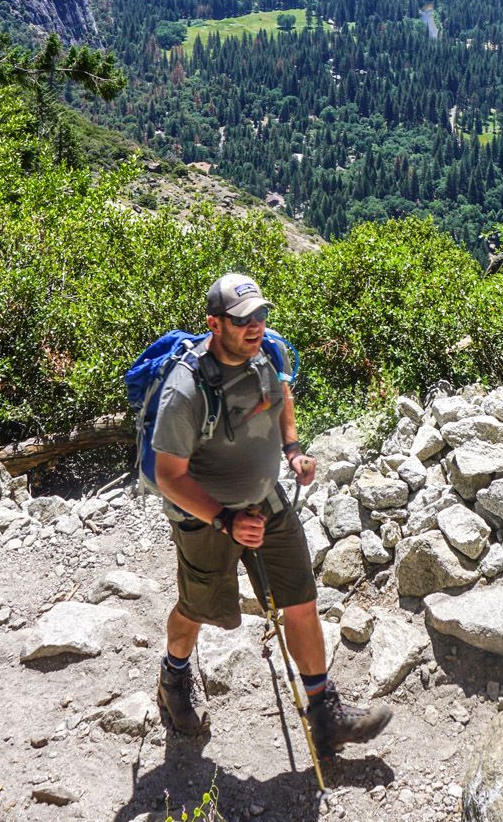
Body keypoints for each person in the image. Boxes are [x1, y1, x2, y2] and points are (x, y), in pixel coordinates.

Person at [150, 271, 392, 755]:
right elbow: (167, 476)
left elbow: (281, 395)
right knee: (199, 609)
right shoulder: (186, 390)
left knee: (300, 597)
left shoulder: (269, 352)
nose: (255, 325)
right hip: (206, 519)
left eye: (260, 314)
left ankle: (324, 714)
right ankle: (173, 676)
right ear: (214, 324)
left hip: (266, 503)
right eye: (242, 319)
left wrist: (293, 450)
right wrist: (224, 520)